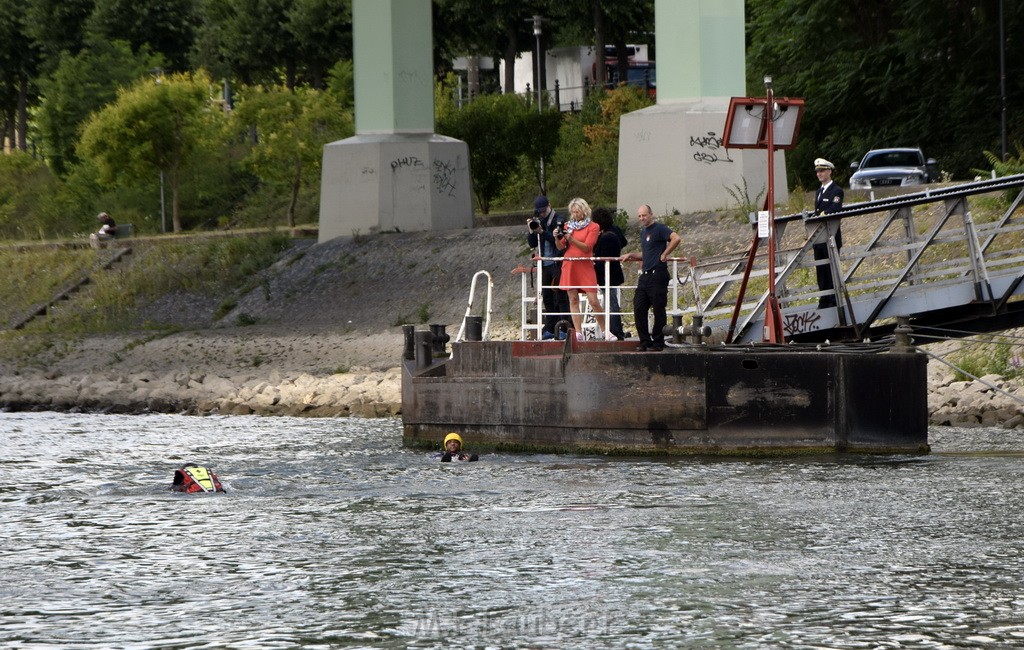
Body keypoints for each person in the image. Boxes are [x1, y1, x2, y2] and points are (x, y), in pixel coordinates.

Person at [620, 204, 680, 351]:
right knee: (639, 307)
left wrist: (665, 253)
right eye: (639, 216)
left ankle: (658, 342)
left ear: (651, 214)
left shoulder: (660, 228)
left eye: (644, 215)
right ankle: (644, 341)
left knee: (658, 308)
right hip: (645, 276)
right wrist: (632, 255)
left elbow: (676, 238)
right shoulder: (643, 232)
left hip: (657, 274)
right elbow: (646, 253)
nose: (642, 218)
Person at [556, 197, 614, 341]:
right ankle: (578, 331)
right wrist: (557, 237)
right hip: (570, 265)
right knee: (573, 299)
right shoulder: (568, 226)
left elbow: (588, 247)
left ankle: (605, 330)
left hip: (585, 265)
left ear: (584, 211)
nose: (576, 214)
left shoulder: (593, 226)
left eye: (578, 211)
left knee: (593, 300)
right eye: (573, 212)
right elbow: (560, 246)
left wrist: (571, 239)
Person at [526, 196, 570, 339]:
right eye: (540, 212)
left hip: (557, 262)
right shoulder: (539, 220)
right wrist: (531, 230)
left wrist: (542, 231)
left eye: (544, 211)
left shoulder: (559, 219)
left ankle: (565, 326)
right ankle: (551, 326)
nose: (542, 214)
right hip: (544, 264)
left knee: (560, 297)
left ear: (549, 206)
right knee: (547, 297)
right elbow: (532, 243)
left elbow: (557, 240)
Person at [811, 158, 845, 308]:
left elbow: (835, 209)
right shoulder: (819, 191)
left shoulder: (836, 190)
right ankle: (824, 299)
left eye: (822, 170)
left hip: (830, 236)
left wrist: (822, 215)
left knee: (831, 270)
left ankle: (832, 300)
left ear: (829, 171)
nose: (820, 174)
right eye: (818, 171)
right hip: (819, 238)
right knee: (821, 271)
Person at [591, 207, 628, 340]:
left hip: (608, 274)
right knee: (612, 300)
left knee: (611, 302)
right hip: (615, 271)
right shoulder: (615, 230)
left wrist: (593, 267)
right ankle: (616, 329)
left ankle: (616, 330)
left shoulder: (606, 237)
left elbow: (603, 259)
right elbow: (624, 242)